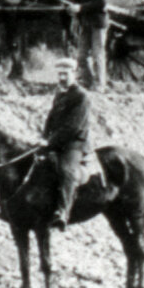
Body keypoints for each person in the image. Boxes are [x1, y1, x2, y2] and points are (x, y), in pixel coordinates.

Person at [43, 57, 96, 226]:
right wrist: (43, 137)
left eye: (65, 74)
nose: (62, 78)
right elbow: (51, 118)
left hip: (75, 143)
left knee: (66, 171)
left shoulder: (81, 96)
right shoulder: (60, 93)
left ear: (74, 73)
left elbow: (72, 127)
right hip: (56, 141)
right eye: (59, 74)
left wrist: (51, 141)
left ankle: (62, 212)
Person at [58, 0, 109, 89]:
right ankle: (87, 81)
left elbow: (101, 2)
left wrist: (80, 7)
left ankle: (100, 85)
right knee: (81, 55)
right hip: (85, 21)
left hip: (97, 22)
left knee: (98, 53)